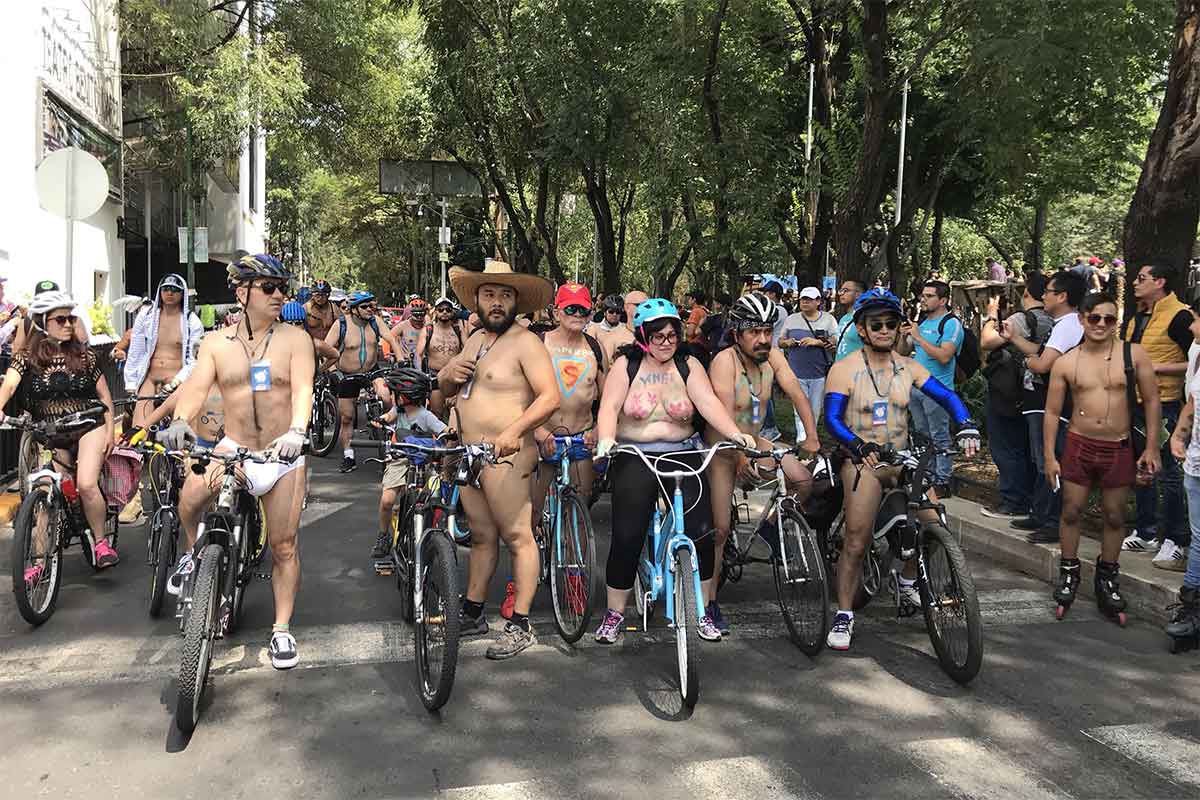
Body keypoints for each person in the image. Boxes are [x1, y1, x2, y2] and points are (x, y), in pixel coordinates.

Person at [160, 254, 314, 670]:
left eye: (282, 287)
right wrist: (179, 422)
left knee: (284, 546)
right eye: (269, 287)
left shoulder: (295, 339)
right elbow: (194, 390)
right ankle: (194, 557)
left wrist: (297, 431)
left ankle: (281, 629)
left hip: (282, 454)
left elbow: (303, 391)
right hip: (233, 446)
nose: (279, 295)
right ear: (241, 292)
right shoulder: (215, 343)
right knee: (189, 502)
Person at [823, 289, 981, 650]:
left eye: (890, 323)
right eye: (875, 323)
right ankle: (844, 613)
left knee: (933, 523)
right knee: (857, 539)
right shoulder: (845, 369)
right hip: (863, 460)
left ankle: (909, 579)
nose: (883, 329)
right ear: (861, 329)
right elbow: (832, 419)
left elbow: (948, 396)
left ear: (898, 328)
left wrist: (966, 422)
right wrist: (859, 445)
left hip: (903, 457)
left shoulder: (909, 367)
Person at [591, 299, 756, 644]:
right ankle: (615, 613)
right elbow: (608, 407)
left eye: (672, 335)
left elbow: (708, 403)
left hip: (682, 452)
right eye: (657, 336)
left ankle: (705, 608)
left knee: (703, 532)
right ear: (642, 336)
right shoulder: (627, 365)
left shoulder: (689, 364)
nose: (666, 342)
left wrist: (735, 433)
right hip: (635, 453)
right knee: (627, 535)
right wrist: (607, 439)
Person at [437, 260, 561, 660]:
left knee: (518, 536)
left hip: (507, 455)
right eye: (489, 294)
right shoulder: (474, 340)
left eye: (505, 295)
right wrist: (446, 374)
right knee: (481, 535)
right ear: (476, 299)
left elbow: (550, 397)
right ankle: (473, 611)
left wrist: (514, 431)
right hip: (470, 454)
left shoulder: (526, 343)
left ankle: (521, 623)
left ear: (516, 302)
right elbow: (447, 392)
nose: (496, 302)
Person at [703, 292, 821, 632]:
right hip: (722, 450)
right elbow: (724, 414)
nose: (763, 339)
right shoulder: (724, 362)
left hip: (757, 442)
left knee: (801, 479)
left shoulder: (774, 359)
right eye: (755, 332)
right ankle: (709, 602)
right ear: (737, 333)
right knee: (721, 529)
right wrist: (740, 455)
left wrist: (811, 436)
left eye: (768, 331)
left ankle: (770, 526)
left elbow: (797, 393)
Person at [1044, 293, 1160, 619]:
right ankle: (1069, 572)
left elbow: (1152, 401)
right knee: (1070, 510)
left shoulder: (1132, 354)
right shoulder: (1066, 362)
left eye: (1109, 319)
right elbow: (1052, 412)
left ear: (1116, 323)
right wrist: (1049, 456)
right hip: (1079, 445)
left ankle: (1108, 576)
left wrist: (1151, 447)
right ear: (1082, 318)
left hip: (1119, 446)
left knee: (1114, 515)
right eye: (1094, 317)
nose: (1101, 325)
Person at [0, 291, 118, 570]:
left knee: (87, 484)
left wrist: (111, 430)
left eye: (71, 318)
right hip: (53, 432)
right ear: (42, 323)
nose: (68, 324)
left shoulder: (85, 356)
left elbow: (105, 398)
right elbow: (9, 386)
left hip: (89, 426)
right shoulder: (26, 357)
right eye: (61, 319)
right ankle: (39, 563)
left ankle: (101, 544)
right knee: (45, 488)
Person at [1001, 270, 1086, 542]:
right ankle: (1040, 514)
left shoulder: (1070, 324)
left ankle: (1052, 521)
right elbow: (1040, 352)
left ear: (1062, 296)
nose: (1043, 296)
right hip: (1046, 401)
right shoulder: (1060, 324)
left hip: (1058, 403)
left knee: (1051, 460)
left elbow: (1043, 363)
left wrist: (1025, 363)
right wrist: (1014, 338)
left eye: (1048, 291)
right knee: (1042, 458)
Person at [1121, 263, 1194, 570]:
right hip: (1134, 403)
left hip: (1166, 405)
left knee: (1170, 473)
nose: (1136, 283)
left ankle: (1176, 539)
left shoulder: (1181, 316)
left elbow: (1193, 362)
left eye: (1142, 278)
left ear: (1160, 281)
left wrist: (1157, 369)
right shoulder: (1138, 315)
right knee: (1142, 468)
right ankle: (1146, 530)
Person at [978, 278, 1054, 519]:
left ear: (1028, 293)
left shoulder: (1021, 319)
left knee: (1005, 445)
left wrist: (991, 315)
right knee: (1027, 448)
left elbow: (987, 342)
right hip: (1035, 394)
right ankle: (1030, 500)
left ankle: (1013, 501)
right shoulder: (1054, 320)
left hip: (1008, 391)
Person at [370, 367, 447, 560]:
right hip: (400, 458)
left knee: (428, 498)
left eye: (395, 393)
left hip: (422, 461)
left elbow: (443, 429)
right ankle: (383, 535)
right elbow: (389, 417)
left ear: (404, 396)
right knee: (387, 500)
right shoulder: (399, 410)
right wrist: (382, 420)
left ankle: (427, 533)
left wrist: (449, 433)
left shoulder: (425, 415)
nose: (392, 396)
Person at [323, 291, 403, 473]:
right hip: (347, 374)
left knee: (386, 398)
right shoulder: (341, 324)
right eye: (365, 306)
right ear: (354, 309)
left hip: (371, 370)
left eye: (371, 305)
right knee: (347, 417)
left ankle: (390, 441)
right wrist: (332, 371)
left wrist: (401, 359)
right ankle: (349, 455)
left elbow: (391, 338)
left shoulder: (375, 321)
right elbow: (326, 349)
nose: (370, 309)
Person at [900, 280, 963, 497]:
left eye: (928, 296)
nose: (923, 299)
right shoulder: (923, 322)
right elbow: (903, 352)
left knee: (939, 436)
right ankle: (926, 476)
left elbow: (945, 356)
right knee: (922, 435)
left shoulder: (951, 324)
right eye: (923, 295)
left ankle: (943, 481)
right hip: (916, 388)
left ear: (943, 300)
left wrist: (918, 338)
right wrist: (904, 336)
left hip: (938, 389)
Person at [123, 273, 204, 428]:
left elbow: (193, 361)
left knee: (179, 432)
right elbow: (136, 351)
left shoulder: (191, 321)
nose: (170, 293)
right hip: (149, 379)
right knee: (139, 430)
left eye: (175, 289)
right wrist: (131, 384)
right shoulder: (146, 316)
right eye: (166, 289)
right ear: (160, 291)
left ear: (183, 293)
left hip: (176, 382)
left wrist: (176, 382)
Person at [1166, 312, 1200, 647]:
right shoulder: (1196, 351)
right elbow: (1193, 400)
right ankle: (1190, 611)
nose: (1191, 327)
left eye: (1197, 319)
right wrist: (1179, 435)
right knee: (1199, 538)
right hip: (1196, 464)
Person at [780, 286, 837, 439]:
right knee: (798, 408)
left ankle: (811, 438)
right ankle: (802, 439)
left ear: (818, 301)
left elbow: (835, 340)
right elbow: (780, 341)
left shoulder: (828, 319)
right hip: (796, 372)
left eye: (809, 299)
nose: (805, 302)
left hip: (819, 373)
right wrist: (788, 342)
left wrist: (817, 342)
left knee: (815, 408)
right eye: (803, 299)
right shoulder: (791, 319)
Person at [415, 297, 465, 419]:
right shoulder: (428, 330)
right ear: (435, 312)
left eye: (448, 309)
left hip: (454, 377)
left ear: (452, 312)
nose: (444, 312)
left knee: (456, 413)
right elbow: (418, 355)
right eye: (441, 309)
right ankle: (438, 437)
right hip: (434, 376)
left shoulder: (458, 330)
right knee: (436, 413)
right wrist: (420, 375)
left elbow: (468, 351)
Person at [833, 279, 866, 362]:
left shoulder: (865, 318)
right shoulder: (843, 318)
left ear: (858, 294)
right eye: (840, 290)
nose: (840, 294)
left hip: (858, 370)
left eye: (846, 290)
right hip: (840, 369)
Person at [390, 297, 427, 367]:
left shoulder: (428, 326)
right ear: (411, 313)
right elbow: (388, 337)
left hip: (423, 362)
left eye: (421, 314)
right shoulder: (403, 325)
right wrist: (390, 355)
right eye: (416, 314)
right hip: (406, 362)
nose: (419, 317)